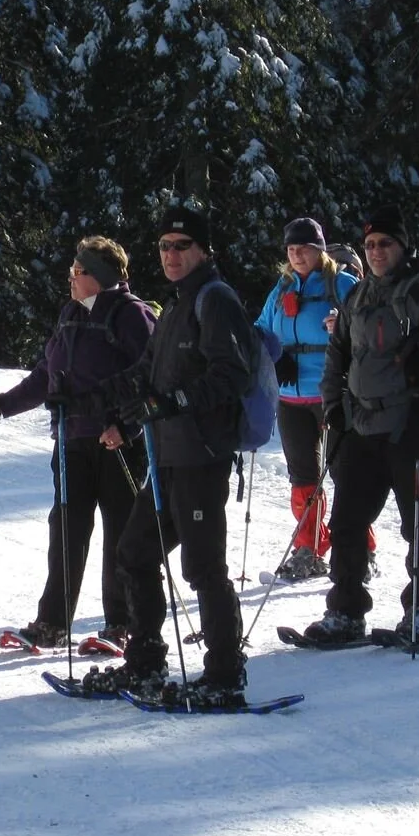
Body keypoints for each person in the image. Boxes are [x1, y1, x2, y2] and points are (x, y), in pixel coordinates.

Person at [67, 204, 253, 706]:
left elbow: (233, 374)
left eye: (182, 245)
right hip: (169, 454)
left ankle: (224, 674)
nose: (171, 254)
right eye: (165, 246)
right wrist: (84, 400)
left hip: (202, 454)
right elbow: (142, 376)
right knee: (135, 553)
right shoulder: (175, 305)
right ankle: (145, 663)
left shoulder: (215, 301)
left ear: (203, 250)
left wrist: (173, 401)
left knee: (204, 566)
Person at [0, 237, 155, 649]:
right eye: (72, 271)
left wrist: (127, 428)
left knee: (121, 535)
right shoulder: (71, 314)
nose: (71, 279)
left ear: (102, 277)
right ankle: (53, 622)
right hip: (73, 439)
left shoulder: (132, 316)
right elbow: (46, 375)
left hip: (117, 444)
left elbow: (149, 380)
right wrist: (3, 404)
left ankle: (122, 624)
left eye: (79, 272)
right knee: (67, 532)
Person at [306, 205, 419, 644]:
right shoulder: (358, 296)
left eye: (385, 243)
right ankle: (345, 611)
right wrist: (332, 404)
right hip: (361, 423)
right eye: (371, 244)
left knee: (417, 519)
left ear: (403, 246)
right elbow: (337, 354)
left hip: (410, 425)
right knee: (346, 520)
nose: (376, 251)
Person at [255, 217, 375, 581]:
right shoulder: (282, 287)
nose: (297, 255)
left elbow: (369, 323)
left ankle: (360, 549)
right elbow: (262, 327)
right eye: (291, 250)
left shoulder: (342, 283)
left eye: (303, 249)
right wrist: (266, 352)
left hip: (334, 390)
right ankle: (309, 548)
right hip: (290, 396)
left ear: (319, 250)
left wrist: (344, 323)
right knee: (303, 477)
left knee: (345, 474)